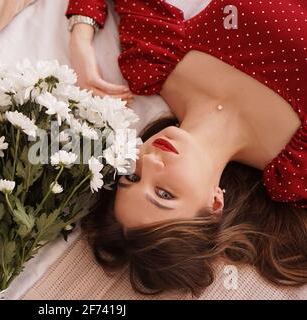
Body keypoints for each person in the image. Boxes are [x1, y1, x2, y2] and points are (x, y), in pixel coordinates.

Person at [66, 0, 307, 295]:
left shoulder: (155, 61)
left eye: (132, 177)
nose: (152, 162)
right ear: (215, 203)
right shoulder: (296, 170)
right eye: (164, 194)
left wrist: (80, 42)